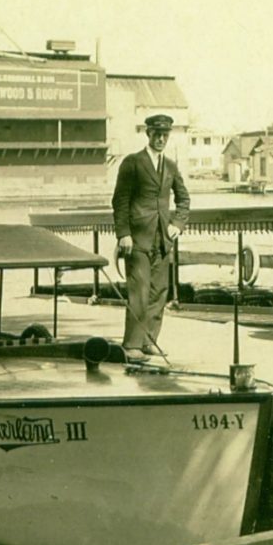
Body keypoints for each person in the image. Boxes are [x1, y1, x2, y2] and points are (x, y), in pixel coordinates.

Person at [112, 114, 190, 361]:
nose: (161, 139)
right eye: (156, 134)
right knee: (139, 292)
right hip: (137, 240)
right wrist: (123, 234)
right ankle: (132, 344)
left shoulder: (170, 166)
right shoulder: (132, 163)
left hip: (162, 241)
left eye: (165, 135)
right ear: (148, 134)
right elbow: (120, 201)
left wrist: (177, 224)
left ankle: (149, 341)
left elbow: (184, 199)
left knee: (159, 292)